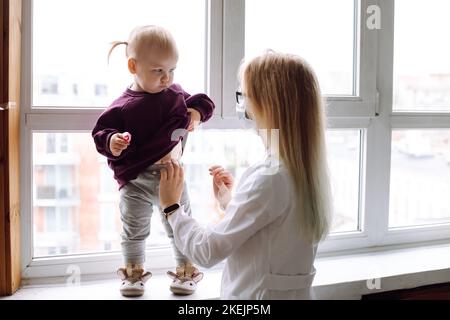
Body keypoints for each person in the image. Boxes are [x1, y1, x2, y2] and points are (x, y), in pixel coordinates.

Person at [158, 51, 332, 299]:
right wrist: (231, 201)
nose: (243, 105)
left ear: (269, 104)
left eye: (245, 95)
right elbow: (274, 226)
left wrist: (172, 207)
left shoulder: (270, 177)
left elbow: (207, 251)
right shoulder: (305, 168)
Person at [91, 25, 215, 297]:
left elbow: (205, 102)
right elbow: (100, 134)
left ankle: (186, 270)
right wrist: (112, 141)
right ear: (133, 66)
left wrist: (194, 113)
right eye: (158, 70)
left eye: (172, 70)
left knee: (179, 225)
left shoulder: (175, 96)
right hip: (134, 179)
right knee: (134, 229)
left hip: (170, 176)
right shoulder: (122, 106)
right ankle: (133, 272)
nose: (167, 78)